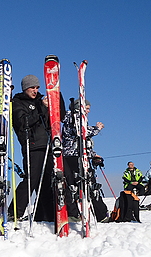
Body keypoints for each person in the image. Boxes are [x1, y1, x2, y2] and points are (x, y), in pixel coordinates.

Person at [8, 75, 56, 222]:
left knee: (48, 181)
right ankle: (14, 212)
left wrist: (52, 102)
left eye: (37, 88)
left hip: (48, 145)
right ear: (25, 88)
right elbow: (23, 122)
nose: (35, 91)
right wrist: (41, 108)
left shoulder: (41, 100)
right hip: (32, 144)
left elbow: (52, 121)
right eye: (32, 88)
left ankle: (46, 214)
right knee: (32, 179)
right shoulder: (18, 102)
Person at [62, 99, 108, 221]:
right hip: (73, 156)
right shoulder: (75, 117)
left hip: (76, 155)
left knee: (78, 184)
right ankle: (99, 215)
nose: (89, 111)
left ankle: (77, 213)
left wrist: (93, 155)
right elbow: (81, 133)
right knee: (87, 184)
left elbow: (83, 142)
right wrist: (97, 129)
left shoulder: (77, 118)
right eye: (87, 108)